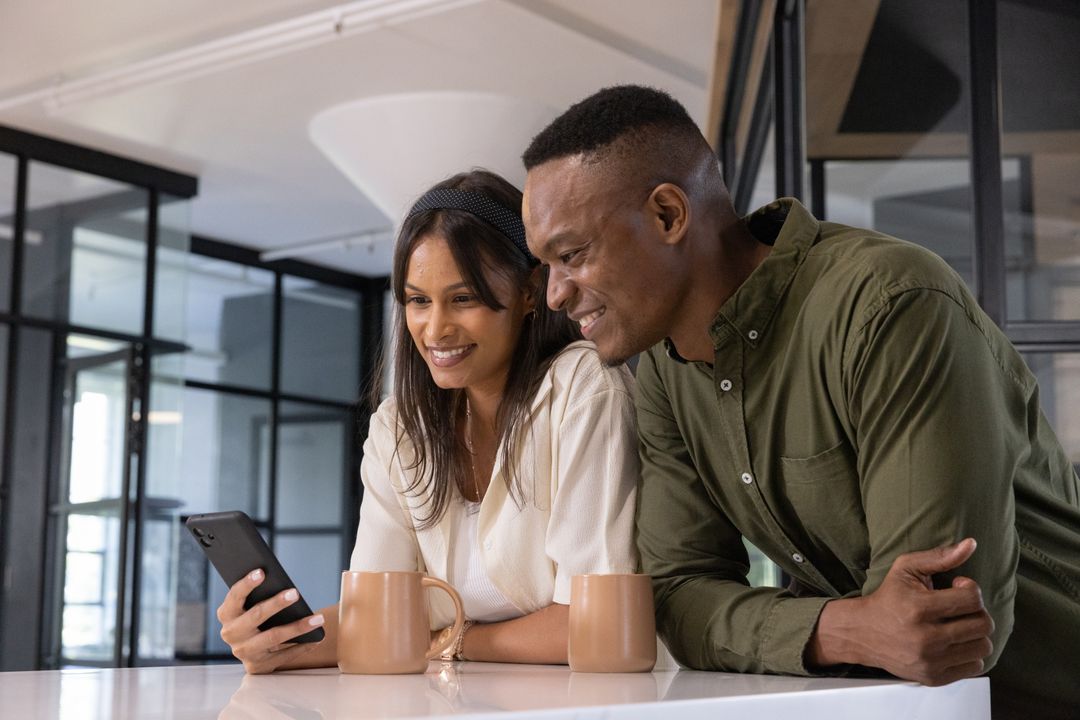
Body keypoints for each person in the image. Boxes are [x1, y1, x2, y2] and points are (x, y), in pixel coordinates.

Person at [520, 85, 1080, 717]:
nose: (556, 294)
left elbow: (938, 632)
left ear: (669, 215)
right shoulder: (663, 374)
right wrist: (845, 626)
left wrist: (831, 628)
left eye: (571, 255)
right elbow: (676, 596)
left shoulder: (891, 307)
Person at [216, 169, 641, 672]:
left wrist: (451, 640)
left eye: (463, 299)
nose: (435, 328)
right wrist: (277, 645)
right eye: (418, 301)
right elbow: (377, 619)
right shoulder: (400, 427)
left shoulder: (581, 387)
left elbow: (592, 627)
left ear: (530, 292)